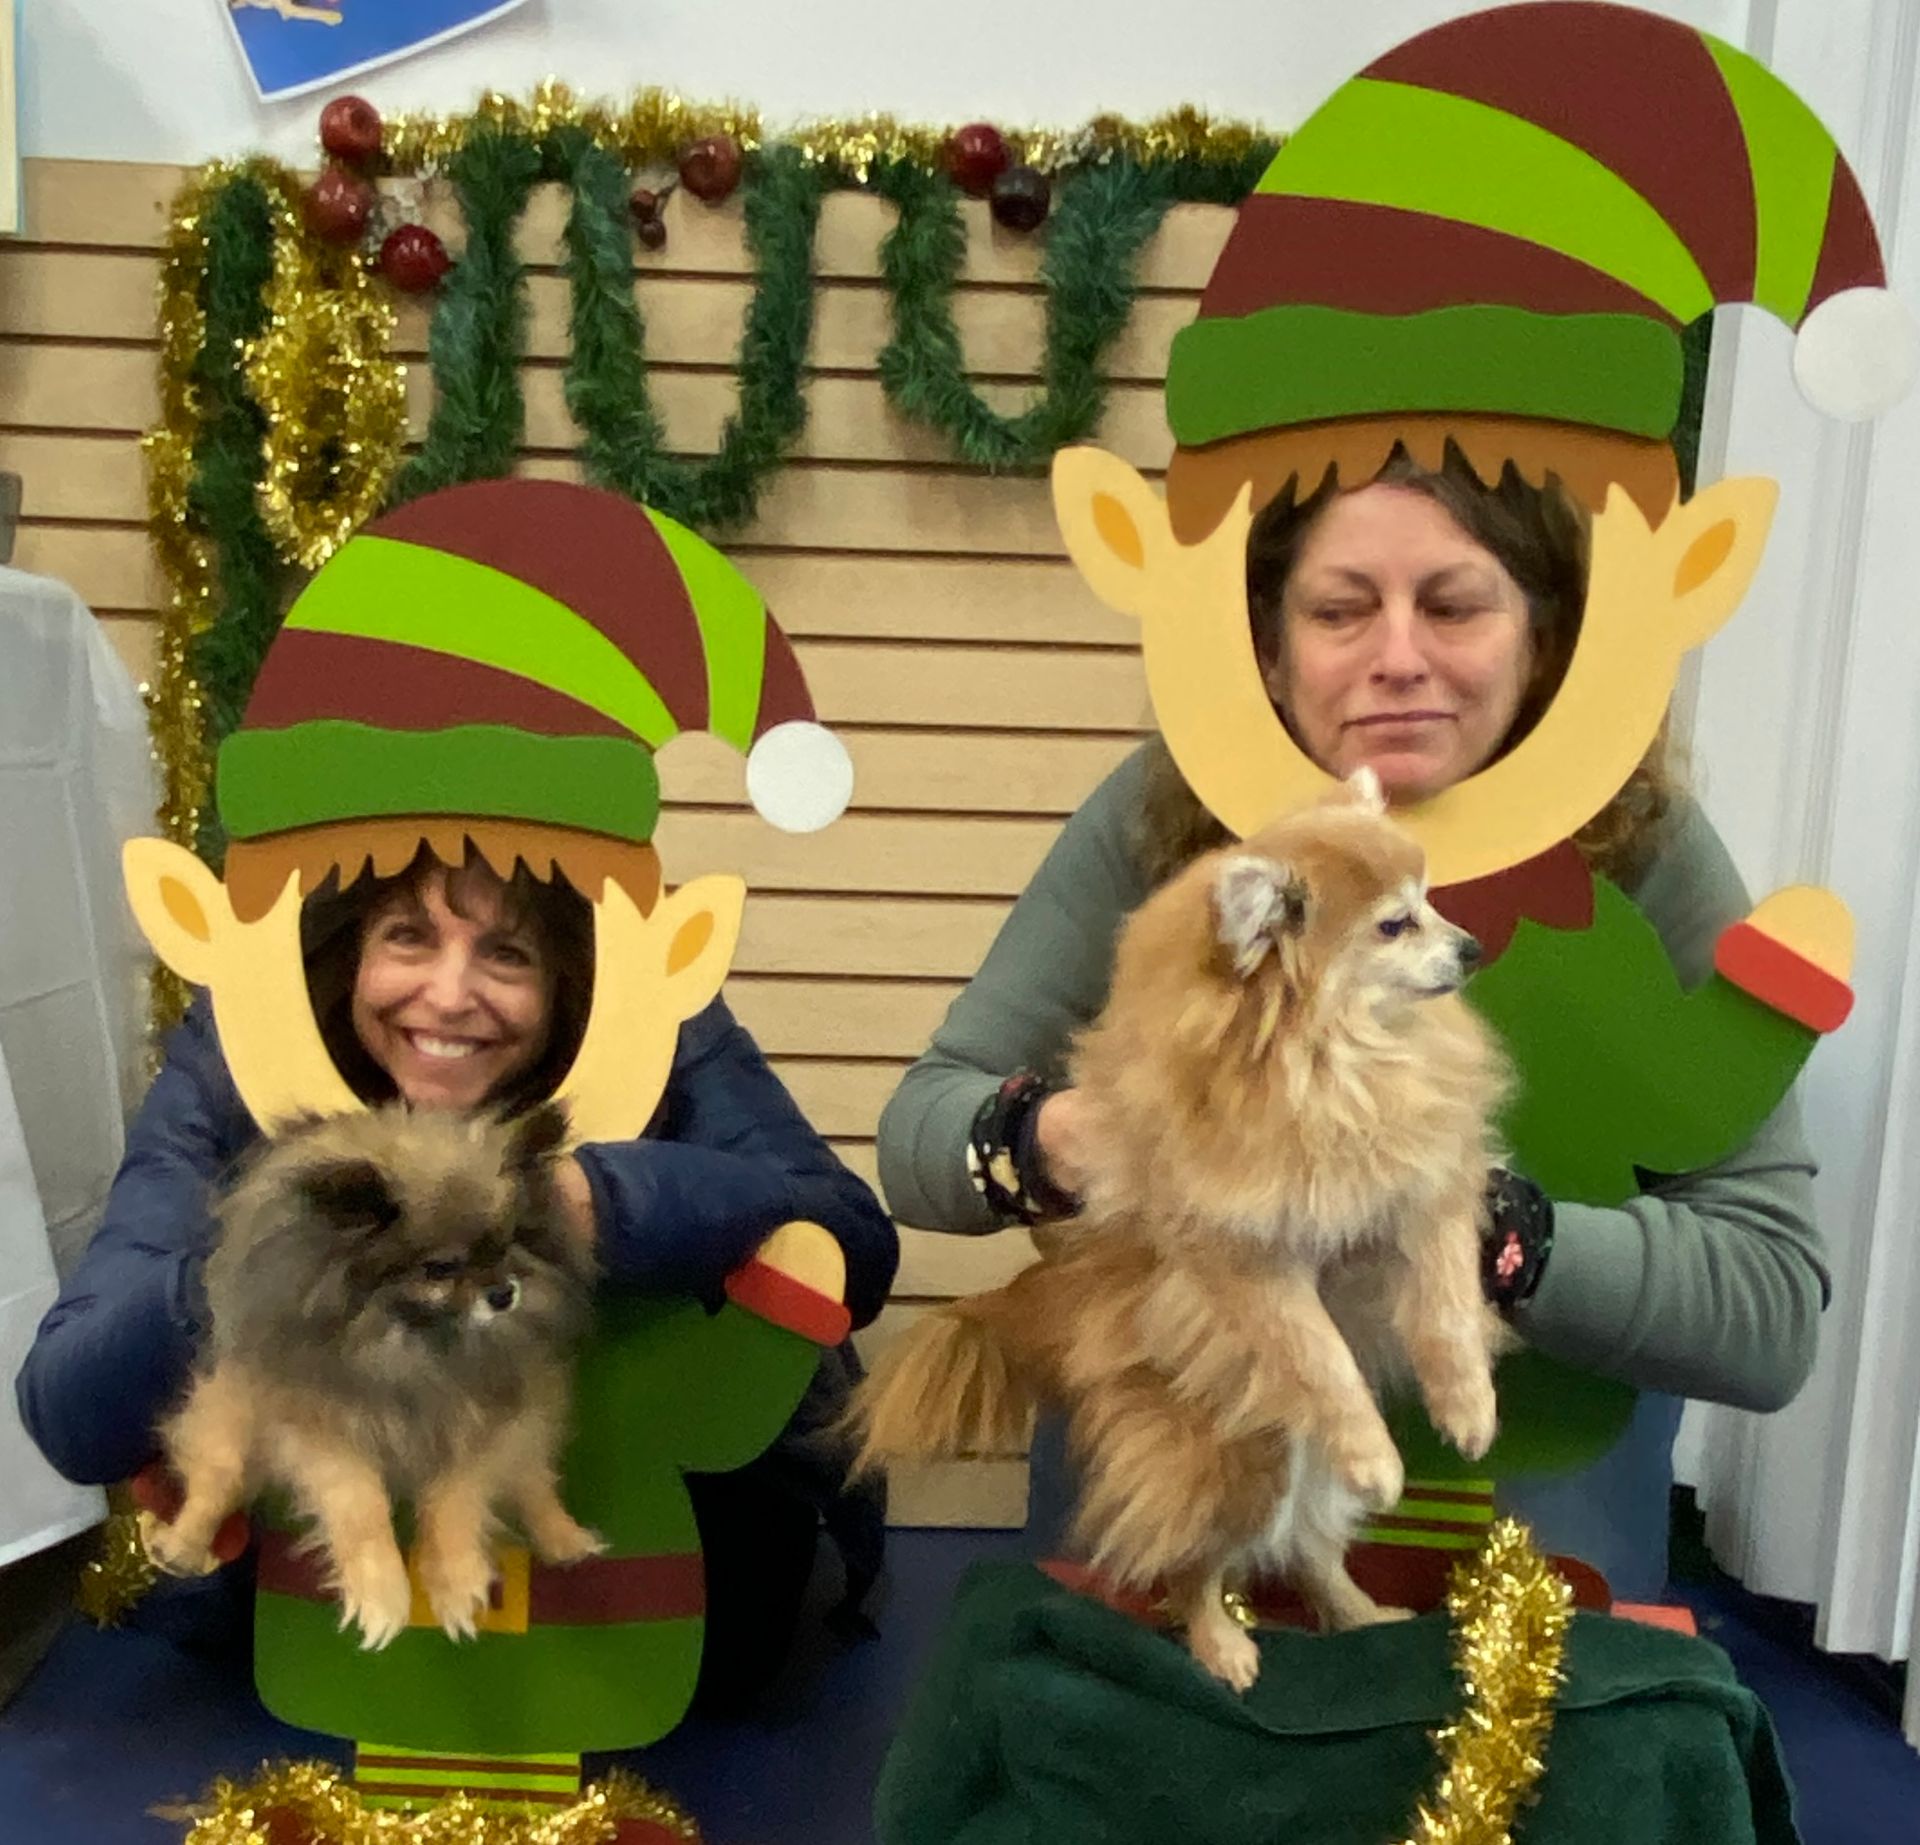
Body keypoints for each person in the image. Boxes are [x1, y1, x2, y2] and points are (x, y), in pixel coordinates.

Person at [875, 448, 1826, 1601]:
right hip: (1201, 1488)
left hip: (1537, 1536)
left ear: (1543, 641)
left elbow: (1769, 1306)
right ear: (1270, 655)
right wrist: (1070, 1141)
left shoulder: (1647, 857)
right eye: (1340, 610)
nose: (1398, 658)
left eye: (1455, 604)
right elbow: (925, 1135)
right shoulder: (1169, 832)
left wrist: (1469, 1229)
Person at [19, 842, 899, 1711]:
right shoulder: (246, 1039)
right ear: (348, 953)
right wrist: (264, 1262)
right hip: (310, 1646)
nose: (448, 993)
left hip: (670, 1613)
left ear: (569, 979)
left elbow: (849, 1234)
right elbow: (69, 1408)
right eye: (407, 936)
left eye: (506, 952)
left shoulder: (662, 1025)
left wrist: (599, 1199)